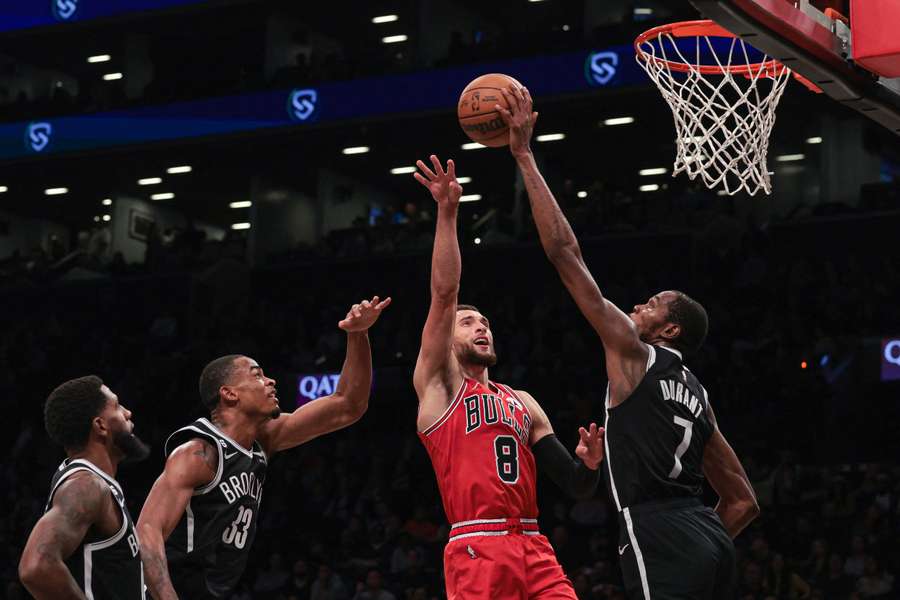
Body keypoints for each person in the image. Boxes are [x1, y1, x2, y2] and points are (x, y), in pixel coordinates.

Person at [497, 84, 760, 600]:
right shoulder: (699, 395)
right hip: (707, 538)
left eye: (653, 303)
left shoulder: (636, 355)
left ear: (670, 330)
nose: (639, 305)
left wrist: (524, 155)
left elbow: (565, 254)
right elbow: (744, 502)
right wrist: (701, 546)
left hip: (657, 526)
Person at [412, 154, 604, 599]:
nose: (481, 326)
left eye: (485, 321)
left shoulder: (523, 400)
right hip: (478, 543)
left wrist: (590, 465)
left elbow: (576, 486)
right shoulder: (440, 387)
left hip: (534, 543)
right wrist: (447, 210)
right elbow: (445, 293)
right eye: (468, 322)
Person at [137, 297, 390, 599]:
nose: (270, 381)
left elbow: (348, 406)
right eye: (256, 375)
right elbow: (148, 533)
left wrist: (357, 334)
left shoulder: (263, 439)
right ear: (229, 394)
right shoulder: (198, 453)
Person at [19, 376, 150, 599]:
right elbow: (36, 567)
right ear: (100, 425)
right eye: (117, 406)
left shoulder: (92, 482)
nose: (128, 413)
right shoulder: (86, 484)